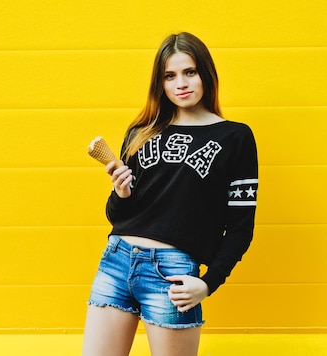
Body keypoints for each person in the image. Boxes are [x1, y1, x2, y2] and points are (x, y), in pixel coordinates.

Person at [82, 32, 258, 356]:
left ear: (206, 74)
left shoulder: (236, 137)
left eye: (189, 72)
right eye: (170, 75)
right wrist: (120, 193)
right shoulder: (141, 132)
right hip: (116, 260)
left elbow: (240, 228)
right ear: (160, 83)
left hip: (171, 272)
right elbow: (117, 216)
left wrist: (209, 283)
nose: (181, 83)